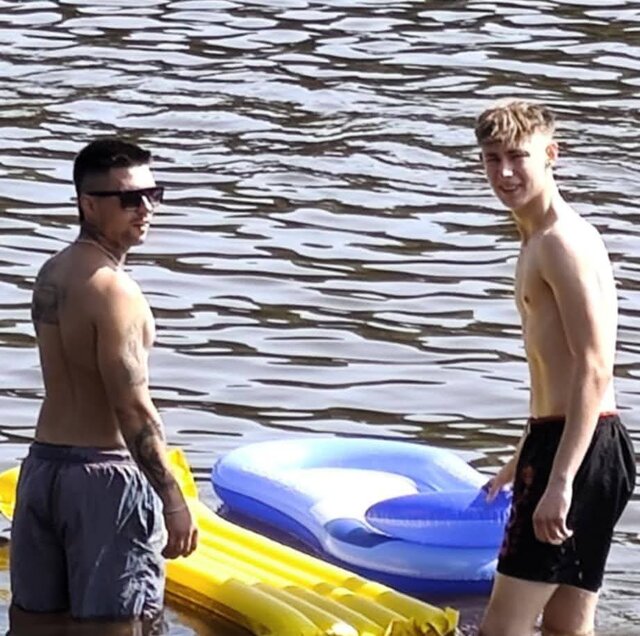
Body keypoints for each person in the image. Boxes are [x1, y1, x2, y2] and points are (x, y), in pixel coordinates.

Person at [9, 138, 198, 634]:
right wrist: (173, 499)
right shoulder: (117, 292)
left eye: (154, 194)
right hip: (104, 481)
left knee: (33, 626)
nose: (146, 209)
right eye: (129, 199)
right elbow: (132, 408)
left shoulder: (53, 273)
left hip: (43, 471)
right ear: (87, 204)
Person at [475, 100, 636, 636]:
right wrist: (519, 459)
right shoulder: (535, 239)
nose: (504, 173)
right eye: (492, 158)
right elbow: (552, 373)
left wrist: (560, 479)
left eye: (518, 157)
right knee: (567, 625)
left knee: (502, 629)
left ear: (551, 155)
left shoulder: (562, 242)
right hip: (574, 443)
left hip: (578, 449)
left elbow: (594, 368)